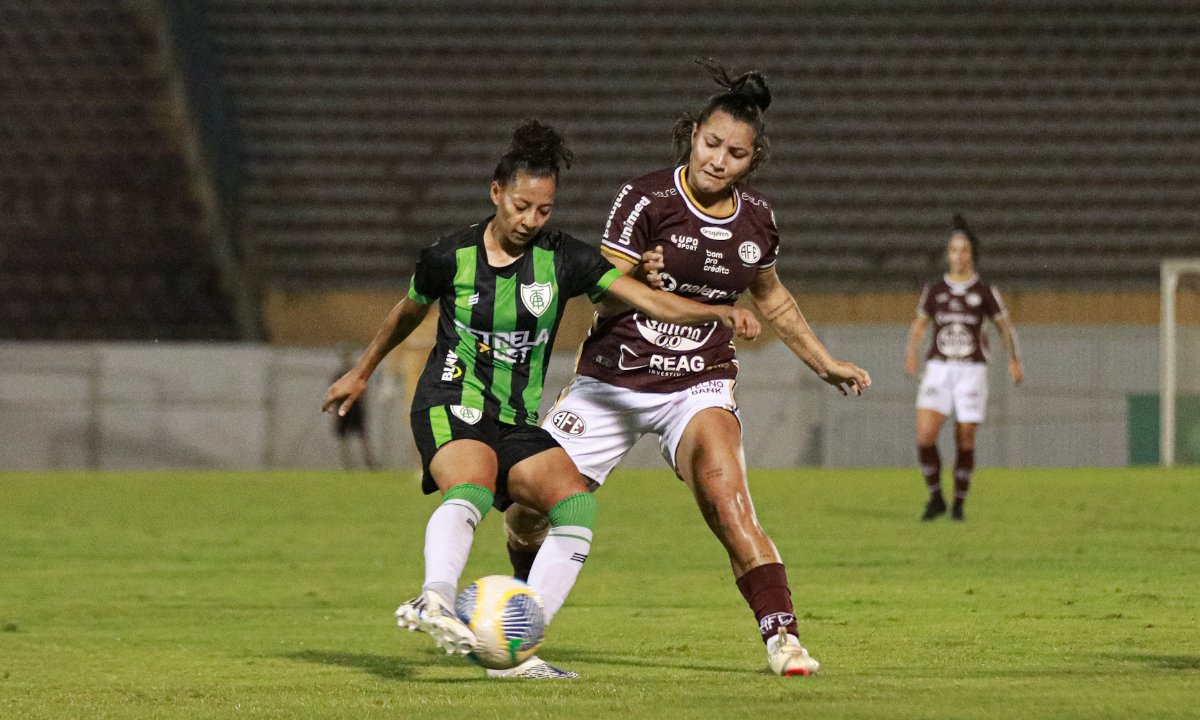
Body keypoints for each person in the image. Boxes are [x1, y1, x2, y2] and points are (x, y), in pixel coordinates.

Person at [322, 118, 760, 679]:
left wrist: (717, 310)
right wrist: (362, 370)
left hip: (516, 416)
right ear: (496, 193)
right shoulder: (447, 256)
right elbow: (407, 311)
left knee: (574, 503)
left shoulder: (564, 259)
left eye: (544, 210)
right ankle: (434, 597)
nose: (531, 220)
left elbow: (651, 303)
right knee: (473, 487)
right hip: (452, 397)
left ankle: (513, 646)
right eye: (521, 206)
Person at [503, 60, 871, 677]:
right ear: (691, 135)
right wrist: (634, 279)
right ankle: (520, 607)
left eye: (736, 153)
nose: (718, 160)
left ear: (753, 161)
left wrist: (823, 362)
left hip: (696, 384)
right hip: (611, 382)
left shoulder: (757, 220)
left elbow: (772, 297)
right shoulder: (645, 198)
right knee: (528, 509)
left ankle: (783, 639)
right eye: (710, 143)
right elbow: (600, 290)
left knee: (729, 501)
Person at [903, 214, 1024, 522]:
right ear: (948, 254)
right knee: (925, 436)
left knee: (965, 436)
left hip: (972, 369)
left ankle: (958, 503)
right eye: (954, 250)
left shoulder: (984, 291)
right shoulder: (934, 290)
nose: (959, 255)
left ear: (972, 254)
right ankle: (936, 497)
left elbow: (1005, 327)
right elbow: (919, 325)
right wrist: (911, 353)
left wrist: (1014, 360)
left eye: (964, 250)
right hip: (939, 368)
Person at [331, 348, 377, 469]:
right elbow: (335, 394)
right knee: (343, 437)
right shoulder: (339, 375)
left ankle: (369, 462)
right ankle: (348, 463)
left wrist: (365, 406)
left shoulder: (357, 373)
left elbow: (363, 391)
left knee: (362, 436)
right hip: (343, 409)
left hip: (356, 408)